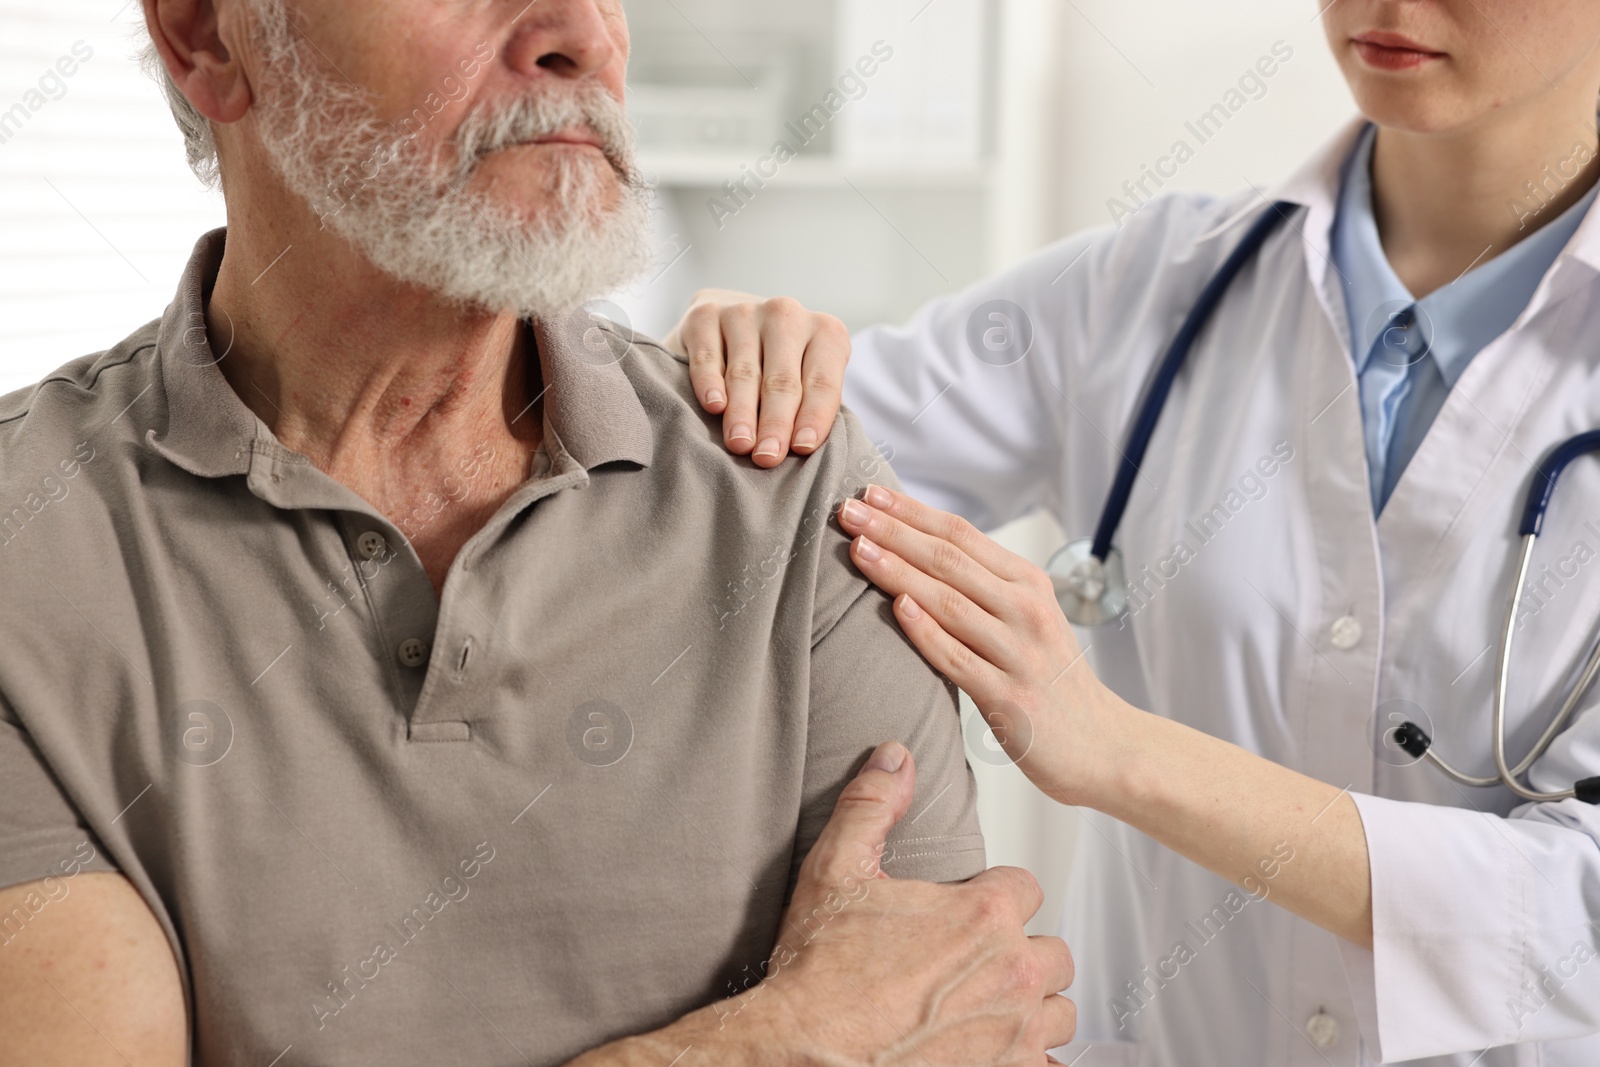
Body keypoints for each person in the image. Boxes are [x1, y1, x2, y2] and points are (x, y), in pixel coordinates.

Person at [0, 0, 1077, 1063]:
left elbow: (957, 1026)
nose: (580, 32)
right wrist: (777, 1042)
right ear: (206, 34)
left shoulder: (794, 495)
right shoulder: (26, 536)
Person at [669, 1, 1600, 1063]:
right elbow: (775, 475)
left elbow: (1582, 919)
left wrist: (1113, 747)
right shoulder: (1150, 284)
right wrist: (733, 360)